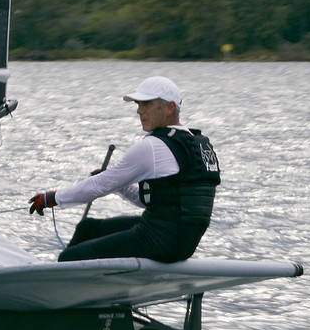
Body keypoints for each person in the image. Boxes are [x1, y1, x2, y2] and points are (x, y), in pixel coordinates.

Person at [27, 76, 221, 263]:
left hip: (160, 238)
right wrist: (122, 186)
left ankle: (65, 281)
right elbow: (153, 201)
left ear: (169, 107)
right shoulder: (196, 145)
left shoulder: (153, 146)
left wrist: (52, 198)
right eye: (138, 104)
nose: (139, 110)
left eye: (147, 104)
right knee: (88, 228)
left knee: (70, 258)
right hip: (183, 242)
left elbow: (98, 186)